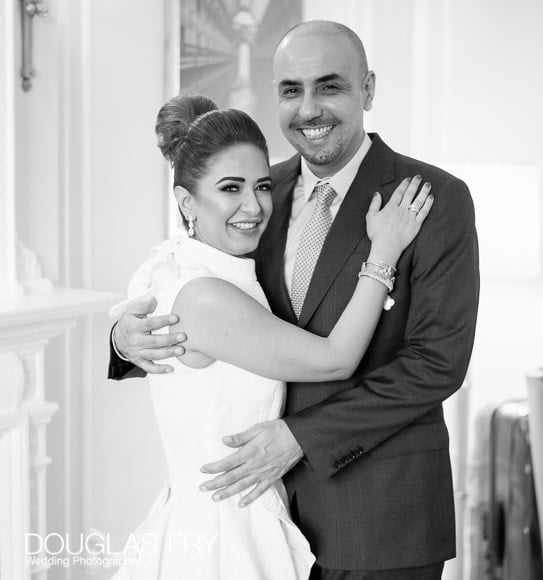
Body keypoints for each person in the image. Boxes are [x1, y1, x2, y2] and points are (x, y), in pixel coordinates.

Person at [109, 20, 479, 580]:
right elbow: (190, 283)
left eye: (329, 86)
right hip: (258, 514)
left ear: (368, 90)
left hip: (380, 517)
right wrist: (123, 339)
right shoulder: (253, 189)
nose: (309, 109)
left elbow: (437, 364)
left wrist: (301, 437)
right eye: (290, 90)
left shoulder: (430, 199)